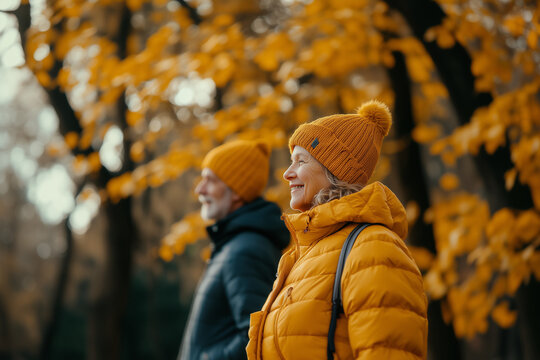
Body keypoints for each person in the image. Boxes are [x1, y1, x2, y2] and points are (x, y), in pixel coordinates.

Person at [246, 101, 428, 359]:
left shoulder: (375, 248)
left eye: (301, 161)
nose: (287, 173)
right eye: (291, 161)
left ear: (334, 170)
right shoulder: (302, 255)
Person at [178, 140, 290, 360]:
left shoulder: (246, 250)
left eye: (210, 180)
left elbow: (254, 338)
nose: (200, 189)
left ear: (237, 191)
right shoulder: (233, 245)